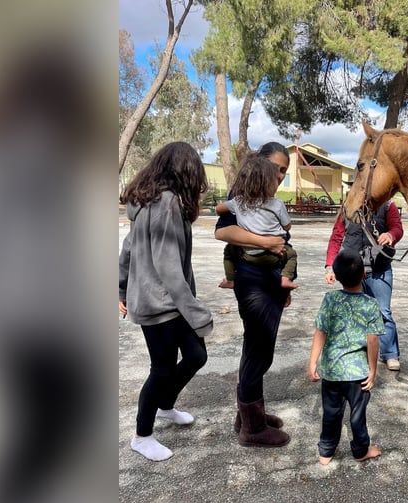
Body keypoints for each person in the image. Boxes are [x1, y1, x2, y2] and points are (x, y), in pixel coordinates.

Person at [119, 141, 213, 461]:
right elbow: (169, 267)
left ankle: (165, 405)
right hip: (160, 304)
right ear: (185, 172)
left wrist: (120, 290)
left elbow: (128, 250)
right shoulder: (167, 204)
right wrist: (196, 312)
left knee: (196, 355)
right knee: (161, 369)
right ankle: (142, 436)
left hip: (164, 301)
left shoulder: (149, 202)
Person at [214, 141, 291, 447]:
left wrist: (283, 282)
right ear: (261, 164)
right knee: (259, 351)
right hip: (254, 280)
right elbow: (222, 231)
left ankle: (248, 414)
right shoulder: (244, 192)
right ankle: (253, 429)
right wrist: (267, 242)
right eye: (276, 167)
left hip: (270, 279)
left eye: (285, 170)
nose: (281, 174)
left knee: (257, 347)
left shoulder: (269, 196)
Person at [308, 250, 383, 465]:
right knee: (357, 415)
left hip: (332, 371)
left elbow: (320, 331)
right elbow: (373, 341)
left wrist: (313, 362)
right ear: (364, 275)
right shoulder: (370, 304)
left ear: (337, 277)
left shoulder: (330, 299)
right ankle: (360, 451)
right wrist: (373, 370)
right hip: (357, 373)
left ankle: (326, 452)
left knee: (330, 413)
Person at [324, 199, 404, 370]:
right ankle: (357, 352)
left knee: (383, 311)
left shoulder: (387, 206)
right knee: (353, 312)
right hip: (352, 268)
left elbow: (397, 228)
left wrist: (391, 235)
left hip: (379, 268)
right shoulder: (346, 210)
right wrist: (330, 267)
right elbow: (336, 238)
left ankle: (390, 353)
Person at [216, 153, 298, 290]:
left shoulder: (238, 201)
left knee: (229, 251)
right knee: (291, 255)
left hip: (248, 254)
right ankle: (285, 279)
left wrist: (223, 208)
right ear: (268, 183)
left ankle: (230, 280)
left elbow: (219, 209)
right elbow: (287, 226)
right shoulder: (277, 204)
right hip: (273, 255)